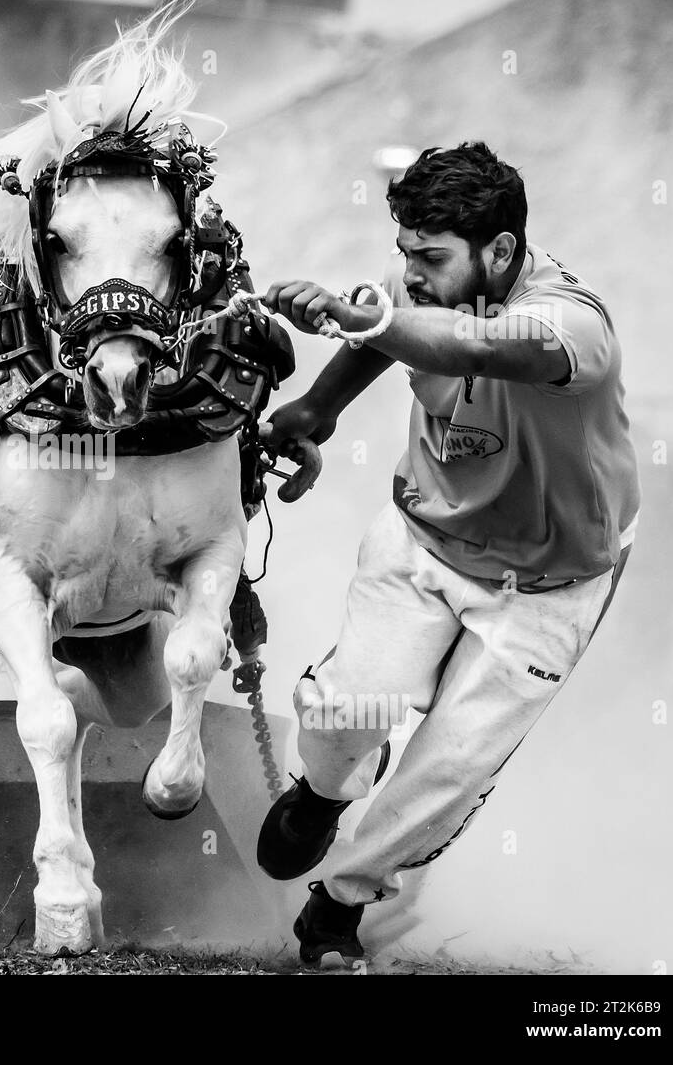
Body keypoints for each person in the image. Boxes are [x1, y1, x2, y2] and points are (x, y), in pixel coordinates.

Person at [257, 141, 639, 967]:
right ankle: (323, 791)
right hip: (424, 542)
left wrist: (369, 317)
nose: (412, 274)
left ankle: (340, 907)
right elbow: (394, 330)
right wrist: (316, 410)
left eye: (431, 258)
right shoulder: (420, 286)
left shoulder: (571, 326)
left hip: (548, 584)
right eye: (406, 255)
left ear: (501, 252)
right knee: (342, 713)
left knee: (448, 769)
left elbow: (469, 348)